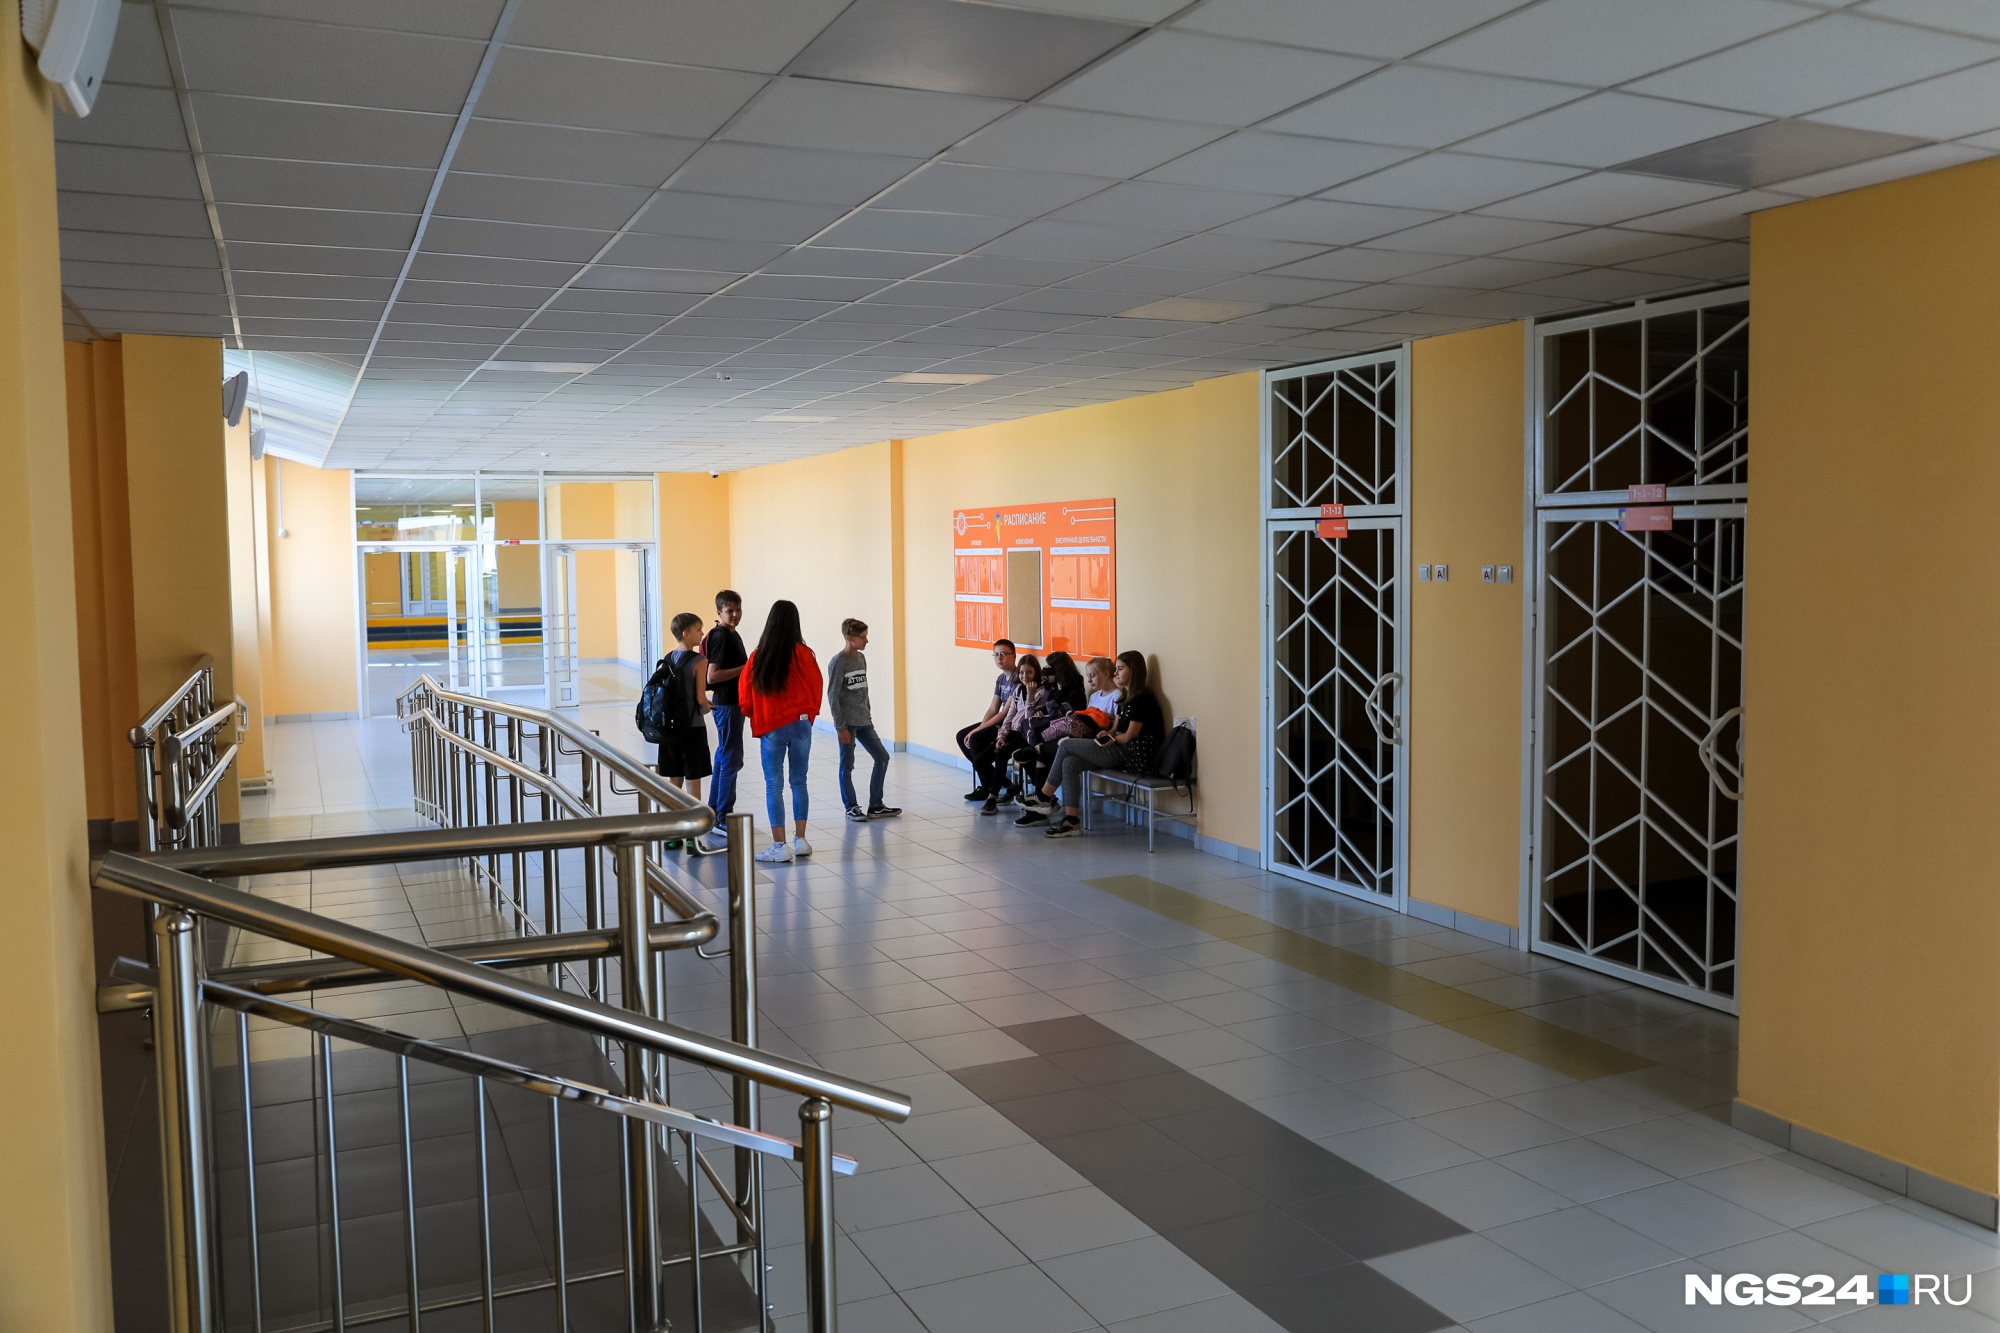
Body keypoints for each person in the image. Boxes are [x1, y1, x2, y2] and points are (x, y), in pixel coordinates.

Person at [1027, 651, 1163, 838]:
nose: (1116, 673)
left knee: (1066, 745)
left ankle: (1044, 797)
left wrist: (1112, 739)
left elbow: (1128, 737)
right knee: (1070, 762)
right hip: (1117, 747)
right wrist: (1107, 734)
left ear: (1134, 671)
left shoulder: (1142, 699)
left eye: (1120, 669)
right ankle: (1071, 821)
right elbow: (1115, 729)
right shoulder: (1126, 696)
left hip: (1130, 754)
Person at [739, 599, 823, 864]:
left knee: (773, 785)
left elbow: (745, 696)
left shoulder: (759, 656)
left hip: (771, 726)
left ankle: (779, 845)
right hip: (800, 724)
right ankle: (801, 840)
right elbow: (817, 687)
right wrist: (808, 716)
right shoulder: (805, 654)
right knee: (799, 781)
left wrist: (756, 715)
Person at [827, 617, 901, 822]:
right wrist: (840, 726)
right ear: (849, 638)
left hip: (864, 720)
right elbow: (833, 696)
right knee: (847, 765)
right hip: (847, 723)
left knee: (882, 757)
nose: (866, 641)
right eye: (862, 637)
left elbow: (863, 690)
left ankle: (876, 805)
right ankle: (850, 806)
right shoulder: (838, 662)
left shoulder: (861, 658)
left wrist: (867, 712)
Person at [700, 590, 748, 849]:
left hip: (731, 704)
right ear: (719, 612)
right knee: (731, 758)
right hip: (727, 704)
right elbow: (712, 676)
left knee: (723, 756)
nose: (735, 615)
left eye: (738, 610)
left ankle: (714, 810)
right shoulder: (721, 636)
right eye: (730, 611)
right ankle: (723, 816)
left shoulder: (732, 634)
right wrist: (746, 668)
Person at [1008, 651, 1084, 810]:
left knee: (1039, 751)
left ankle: (1042, 798)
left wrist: (1044, 695)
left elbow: (1068, 714)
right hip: (1054, 729)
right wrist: (1049, 692)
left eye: (1050, 668)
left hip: (1069, 732)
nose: (1046, 671)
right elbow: (1039, 713)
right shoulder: (1053, 688)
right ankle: (1041, 799)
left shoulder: (1075, 688)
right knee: (1034, 743)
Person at [976, 654, 1047, 815]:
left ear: (1036, 673)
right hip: (1013, 732)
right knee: (980, 761)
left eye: (1029, 672)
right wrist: (1001, 735)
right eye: (1021, 672)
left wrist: (1031, 695)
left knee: (1002, 754)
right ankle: (1010, 786)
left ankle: (992, 798)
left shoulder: (1041, 692)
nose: (1024, 676)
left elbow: (1030, 719)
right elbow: (1009, 717)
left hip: (1027, 734)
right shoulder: (1018, 690)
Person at [653, 612, 712, 801]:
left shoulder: (668, 658)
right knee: (693, 777)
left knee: (675, 776)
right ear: (686, 633)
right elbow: (700, 698)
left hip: (670, 725)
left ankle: (673, 813)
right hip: (692, 726)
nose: (702, 634)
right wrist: (707, 708)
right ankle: (695, 815)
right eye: (698, 629)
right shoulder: (700, 660)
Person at [956, 638, 1017, 802]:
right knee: (962, 736)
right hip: (999, 722)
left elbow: (1004, 713)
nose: (999, 658)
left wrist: (978, 730)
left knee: (976, 738)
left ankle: (986, 786)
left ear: (1014, 656)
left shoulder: (1018, 679)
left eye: (1003, 654)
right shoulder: (1001, 679)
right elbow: (993, 709)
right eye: (996, 655)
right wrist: (980, 727)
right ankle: (1001, 783)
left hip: (1010, 725)